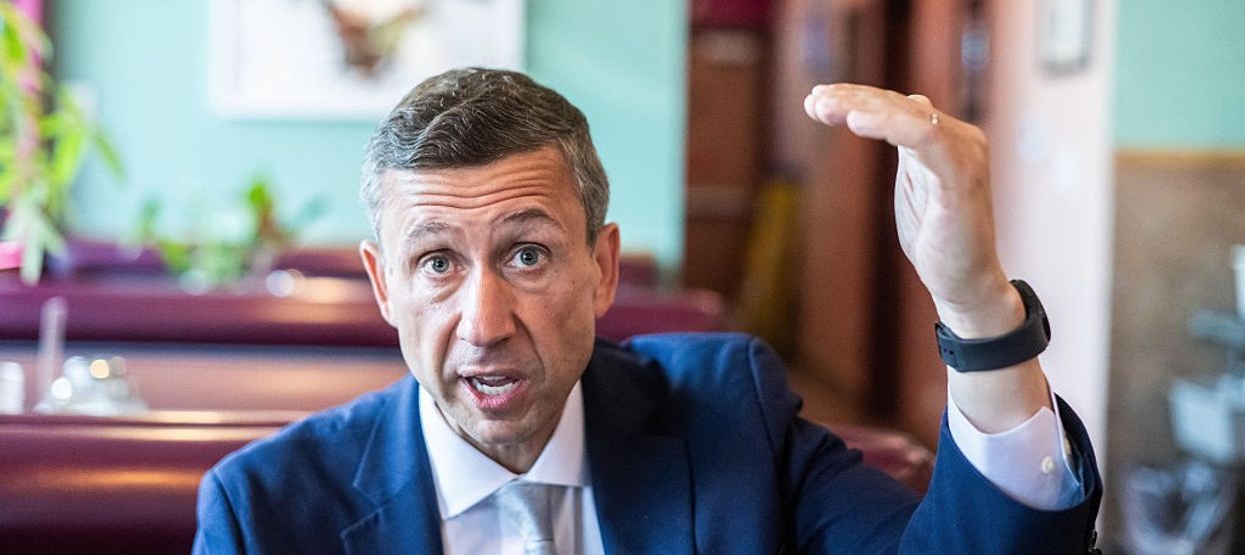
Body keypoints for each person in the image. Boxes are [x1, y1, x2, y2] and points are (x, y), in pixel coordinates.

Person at [192, 68, 1102, 554]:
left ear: (601, 267)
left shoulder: (728, 415)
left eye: (526, 253)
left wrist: (975, 302)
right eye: (435, 261)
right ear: (384, 285)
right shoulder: (265, 512)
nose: (483, 320)